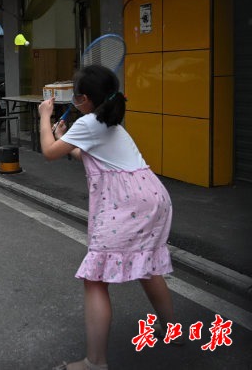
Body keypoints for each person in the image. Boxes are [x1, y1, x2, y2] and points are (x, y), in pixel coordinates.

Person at [38, 65, 180, 370]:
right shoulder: (108, 119)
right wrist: (66, 139)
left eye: (75, 94)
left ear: (85, 98)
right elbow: (85, 154)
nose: (74, 98)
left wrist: (45, 117)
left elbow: (48, 152)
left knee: (95, 280)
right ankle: (171, 329)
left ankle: (94, 362)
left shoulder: (89, 122)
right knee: (147, 264)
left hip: (127, 204)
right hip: (153, 197)